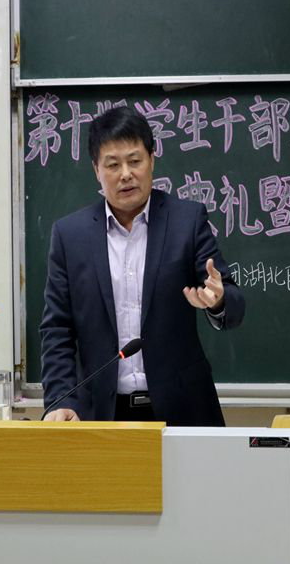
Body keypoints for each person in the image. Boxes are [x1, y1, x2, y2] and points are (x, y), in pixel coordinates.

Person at [40, 106, 244, 426]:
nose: (125, 174)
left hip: (183, 412)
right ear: (96, 169)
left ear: (152, 159)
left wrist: (218, 301)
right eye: (113, 164)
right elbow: (56, 329)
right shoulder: (70, 236)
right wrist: (61, 399)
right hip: (100, 415)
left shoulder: (187, 221)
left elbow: (233, 304)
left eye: (134, 161)